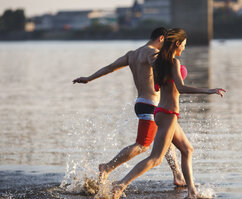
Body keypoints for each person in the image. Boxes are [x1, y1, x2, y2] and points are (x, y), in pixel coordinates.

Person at [112, 28, 226, 199]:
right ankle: (121, 184)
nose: (184, 49)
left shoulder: (159, 62)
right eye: (184, 45)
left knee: (187, 149)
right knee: (156, 158)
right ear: (178, 44)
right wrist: (208, 90)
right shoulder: (173, 63)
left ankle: (192, 191)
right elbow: (181, 88)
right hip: (168, 114)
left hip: (162, 112)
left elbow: (158, 86)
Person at [73, 27, 186, 186]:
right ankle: (107, 167)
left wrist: (89, 78)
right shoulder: (151, 53)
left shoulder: (132, 54)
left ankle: (178, 175)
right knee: (142, 145)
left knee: (167, 137)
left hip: (143, 103)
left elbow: (110, 68)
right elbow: (162, 66)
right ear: (161, 38)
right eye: (166, 42)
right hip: (151, 105)